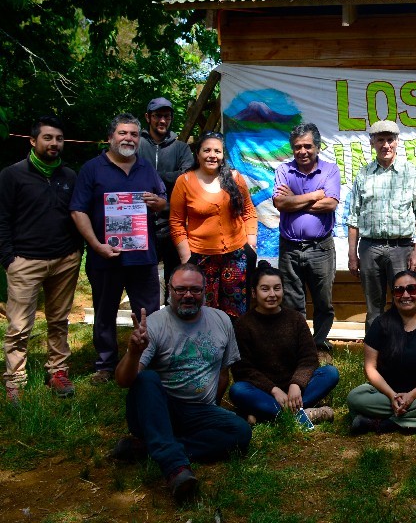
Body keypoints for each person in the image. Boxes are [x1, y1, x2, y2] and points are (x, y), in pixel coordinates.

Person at [112, 264, 251, 503]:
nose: (188, 295)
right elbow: (123, 381)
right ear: (169, 290)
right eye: (181, 289)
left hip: (199, 412)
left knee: (240, 432)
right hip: (158, 409)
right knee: (146, 379)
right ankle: (175, 467)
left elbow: (223, 374)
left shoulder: (221, 321)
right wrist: (134, 352)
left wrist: (214, 407)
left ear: (205, 291)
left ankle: (149, 447)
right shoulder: (155, 324)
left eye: (195, 290)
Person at [70, 113, 166, 383]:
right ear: (110, 137)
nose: (129, 138)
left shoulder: (146, 167)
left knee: (148, 312)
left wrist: (159, 203)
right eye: (123, 133)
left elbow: (162, 200)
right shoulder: (92, 169)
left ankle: (147, 360)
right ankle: (105, 365)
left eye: (134, 134)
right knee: (104, 311)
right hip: (106, 256)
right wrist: (96, 246)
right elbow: (78, 210)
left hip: (143, 257)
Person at [1, 116, 82, 401]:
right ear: (33, 141)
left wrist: (77, 251)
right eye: (48, 138)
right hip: (25, 260)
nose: (54, 143)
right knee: (19, 325)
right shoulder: (12, 175)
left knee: (59, 320)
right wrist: (8, 257)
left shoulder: (70, 177)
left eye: (59, 139)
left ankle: (57, 371)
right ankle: (15, 379)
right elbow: (2, 218)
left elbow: (77, 215)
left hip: (65, 260)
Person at [346, 271, 416, 433]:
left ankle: (383, 424)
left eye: (411, 289)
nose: (405, 295)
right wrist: (392, 396)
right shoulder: (380, 324)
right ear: (393, 295)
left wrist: (412, 396)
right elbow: (370, 368)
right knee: (355, 397)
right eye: (399, 290)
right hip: (386, 393)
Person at [230, 262, 339, 425]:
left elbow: (309, 359)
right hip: (263, 391)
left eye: (277, 288)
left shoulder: (295, 319)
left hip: (298, 389)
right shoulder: (243, 324)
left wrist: (296, 384)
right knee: (237, 390)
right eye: (265, 289)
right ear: (254, 292)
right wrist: (273, 390)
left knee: (330, 373)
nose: (272, 294)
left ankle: (264, 415)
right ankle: (301, 415)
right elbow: (243, 369)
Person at [346, 120, 416, 328]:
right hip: (369, 249)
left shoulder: (411, 173)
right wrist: (351, 254)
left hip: (401, 249)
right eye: (380, 140)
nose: (386, 145)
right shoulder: (363, 174)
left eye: (390, 140)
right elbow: (353, 217)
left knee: (406, 301)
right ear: (372, 143)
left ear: (397, 142)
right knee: (373, 307)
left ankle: (408, 351)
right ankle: (375, 355)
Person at [170, 131, 258, 318]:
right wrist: (187, 257)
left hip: (236, 256)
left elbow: (249, 211)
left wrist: (251, 242)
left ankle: (234, 346)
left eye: (217, 151)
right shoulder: (184, 181)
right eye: (207, 150)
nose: (212, 155)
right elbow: (176, 223)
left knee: (236, 310)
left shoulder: (235, 178)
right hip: (201, 258)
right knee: (205, 311)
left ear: (222, 155)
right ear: (198, 154)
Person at [272, 123, 340, 351]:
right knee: (292, 302)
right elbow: (280, 203)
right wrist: (314, 195)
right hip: (290, 248)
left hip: (320, 248)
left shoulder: (330, 169)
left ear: (317, 147)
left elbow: (330, 203)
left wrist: (296, 200)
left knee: (323, 301)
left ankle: (319, 343)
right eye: (297, 147)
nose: (302, 151)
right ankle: (300, 346)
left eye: (308, 146)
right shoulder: (283, 170)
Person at [138, 97, 194, 304]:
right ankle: (149, 324)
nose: (162, 121)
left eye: (166, 116)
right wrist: (171, 175)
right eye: (157, 116)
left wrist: (151, 175)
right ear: (148, 117)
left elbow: (187, 177)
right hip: (141, 223)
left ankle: (173, 319)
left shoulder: (181, 148)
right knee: (145, 278)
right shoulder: (137, 144)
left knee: (175, 276)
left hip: (173, 221)